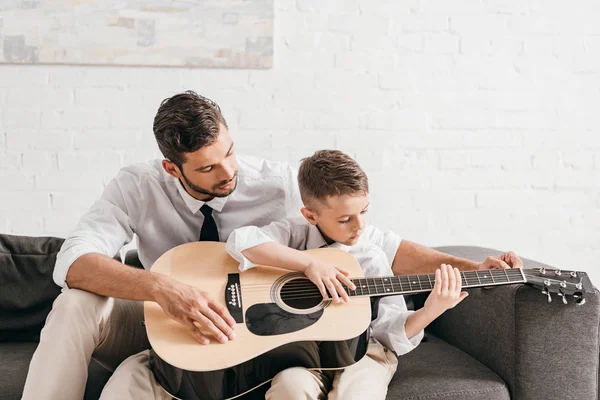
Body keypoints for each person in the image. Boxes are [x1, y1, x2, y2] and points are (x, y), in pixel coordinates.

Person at [21, 91, 524, 400]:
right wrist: (163, 288)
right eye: (208, 168)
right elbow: (75, 261)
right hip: (167, 320)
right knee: (76, 305)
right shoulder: (135, 186)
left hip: (254, 332)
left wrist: (469, 265)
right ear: (172, 168)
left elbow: (377, 244)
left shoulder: (280, 182)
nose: (229, 173)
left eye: (231, 153)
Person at [225, 149, 469, 399]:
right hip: (303, 354)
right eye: (345, 219)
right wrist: (309, 264)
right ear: (310, 215)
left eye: (364, 211)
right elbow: (241, 241)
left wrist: (431, 310)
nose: (360, 226)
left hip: (364, 352)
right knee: (289, 388)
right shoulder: (294, 234)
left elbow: (388, 332)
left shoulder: (370, 257)